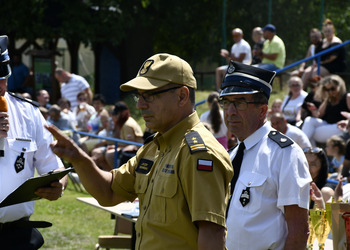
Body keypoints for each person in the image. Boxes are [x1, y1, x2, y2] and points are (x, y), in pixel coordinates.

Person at [46, 53, 233, 249]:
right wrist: (79, 159)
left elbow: (212, 235)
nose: (140, 104)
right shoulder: (154, 147)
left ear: (182, 96)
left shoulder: (200, 153)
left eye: (150, 95)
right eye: (139, 95)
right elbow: (108, 193)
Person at [219, 61, 311, 249]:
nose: (230, 112)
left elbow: (299, 231)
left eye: (239, 103)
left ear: (262, 111)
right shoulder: (230, 156)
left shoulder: (285, 154)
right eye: (226, 102)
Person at [0, 35, 68, 249]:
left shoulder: (28, 112)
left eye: (3, 77)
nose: (0, 85)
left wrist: (58, 185)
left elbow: (52, 165)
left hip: (17, 236)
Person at [92, 101, 144, 171]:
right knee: (99, 154)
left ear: (121, 114)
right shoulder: (123, 123)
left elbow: (131, 144)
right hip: (127, 147)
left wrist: (115, 146)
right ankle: (108, 175)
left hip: (136, 149)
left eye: (116, 114)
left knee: (109, 154)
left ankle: (116, 175)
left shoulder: (127, 124)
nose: (115, 117)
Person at [302, 74, 350, 146]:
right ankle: (308, 151)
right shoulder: (329, 99)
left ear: (339, 86)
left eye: (332, 88)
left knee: (312, 132)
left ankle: (304, 149)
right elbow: (319, 115)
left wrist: (347, 121)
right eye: (327, 89)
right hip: (328, 125)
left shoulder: (347, 97)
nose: (330, 91)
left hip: (341, 127)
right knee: (309, 120)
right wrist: (313, 110)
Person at [301, 19, 346, 86]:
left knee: (315, 73)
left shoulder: (336, 42)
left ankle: (318, 93)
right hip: (320, 65)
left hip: (333, 67)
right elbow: (316, 54)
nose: (327, 33)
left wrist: (319, 63)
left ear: (333, 31)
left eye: (329, 31)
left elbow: (332, 58)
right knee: (307, 72)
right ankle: (300, 93)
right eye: (325, 32)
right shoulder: (322, 42)